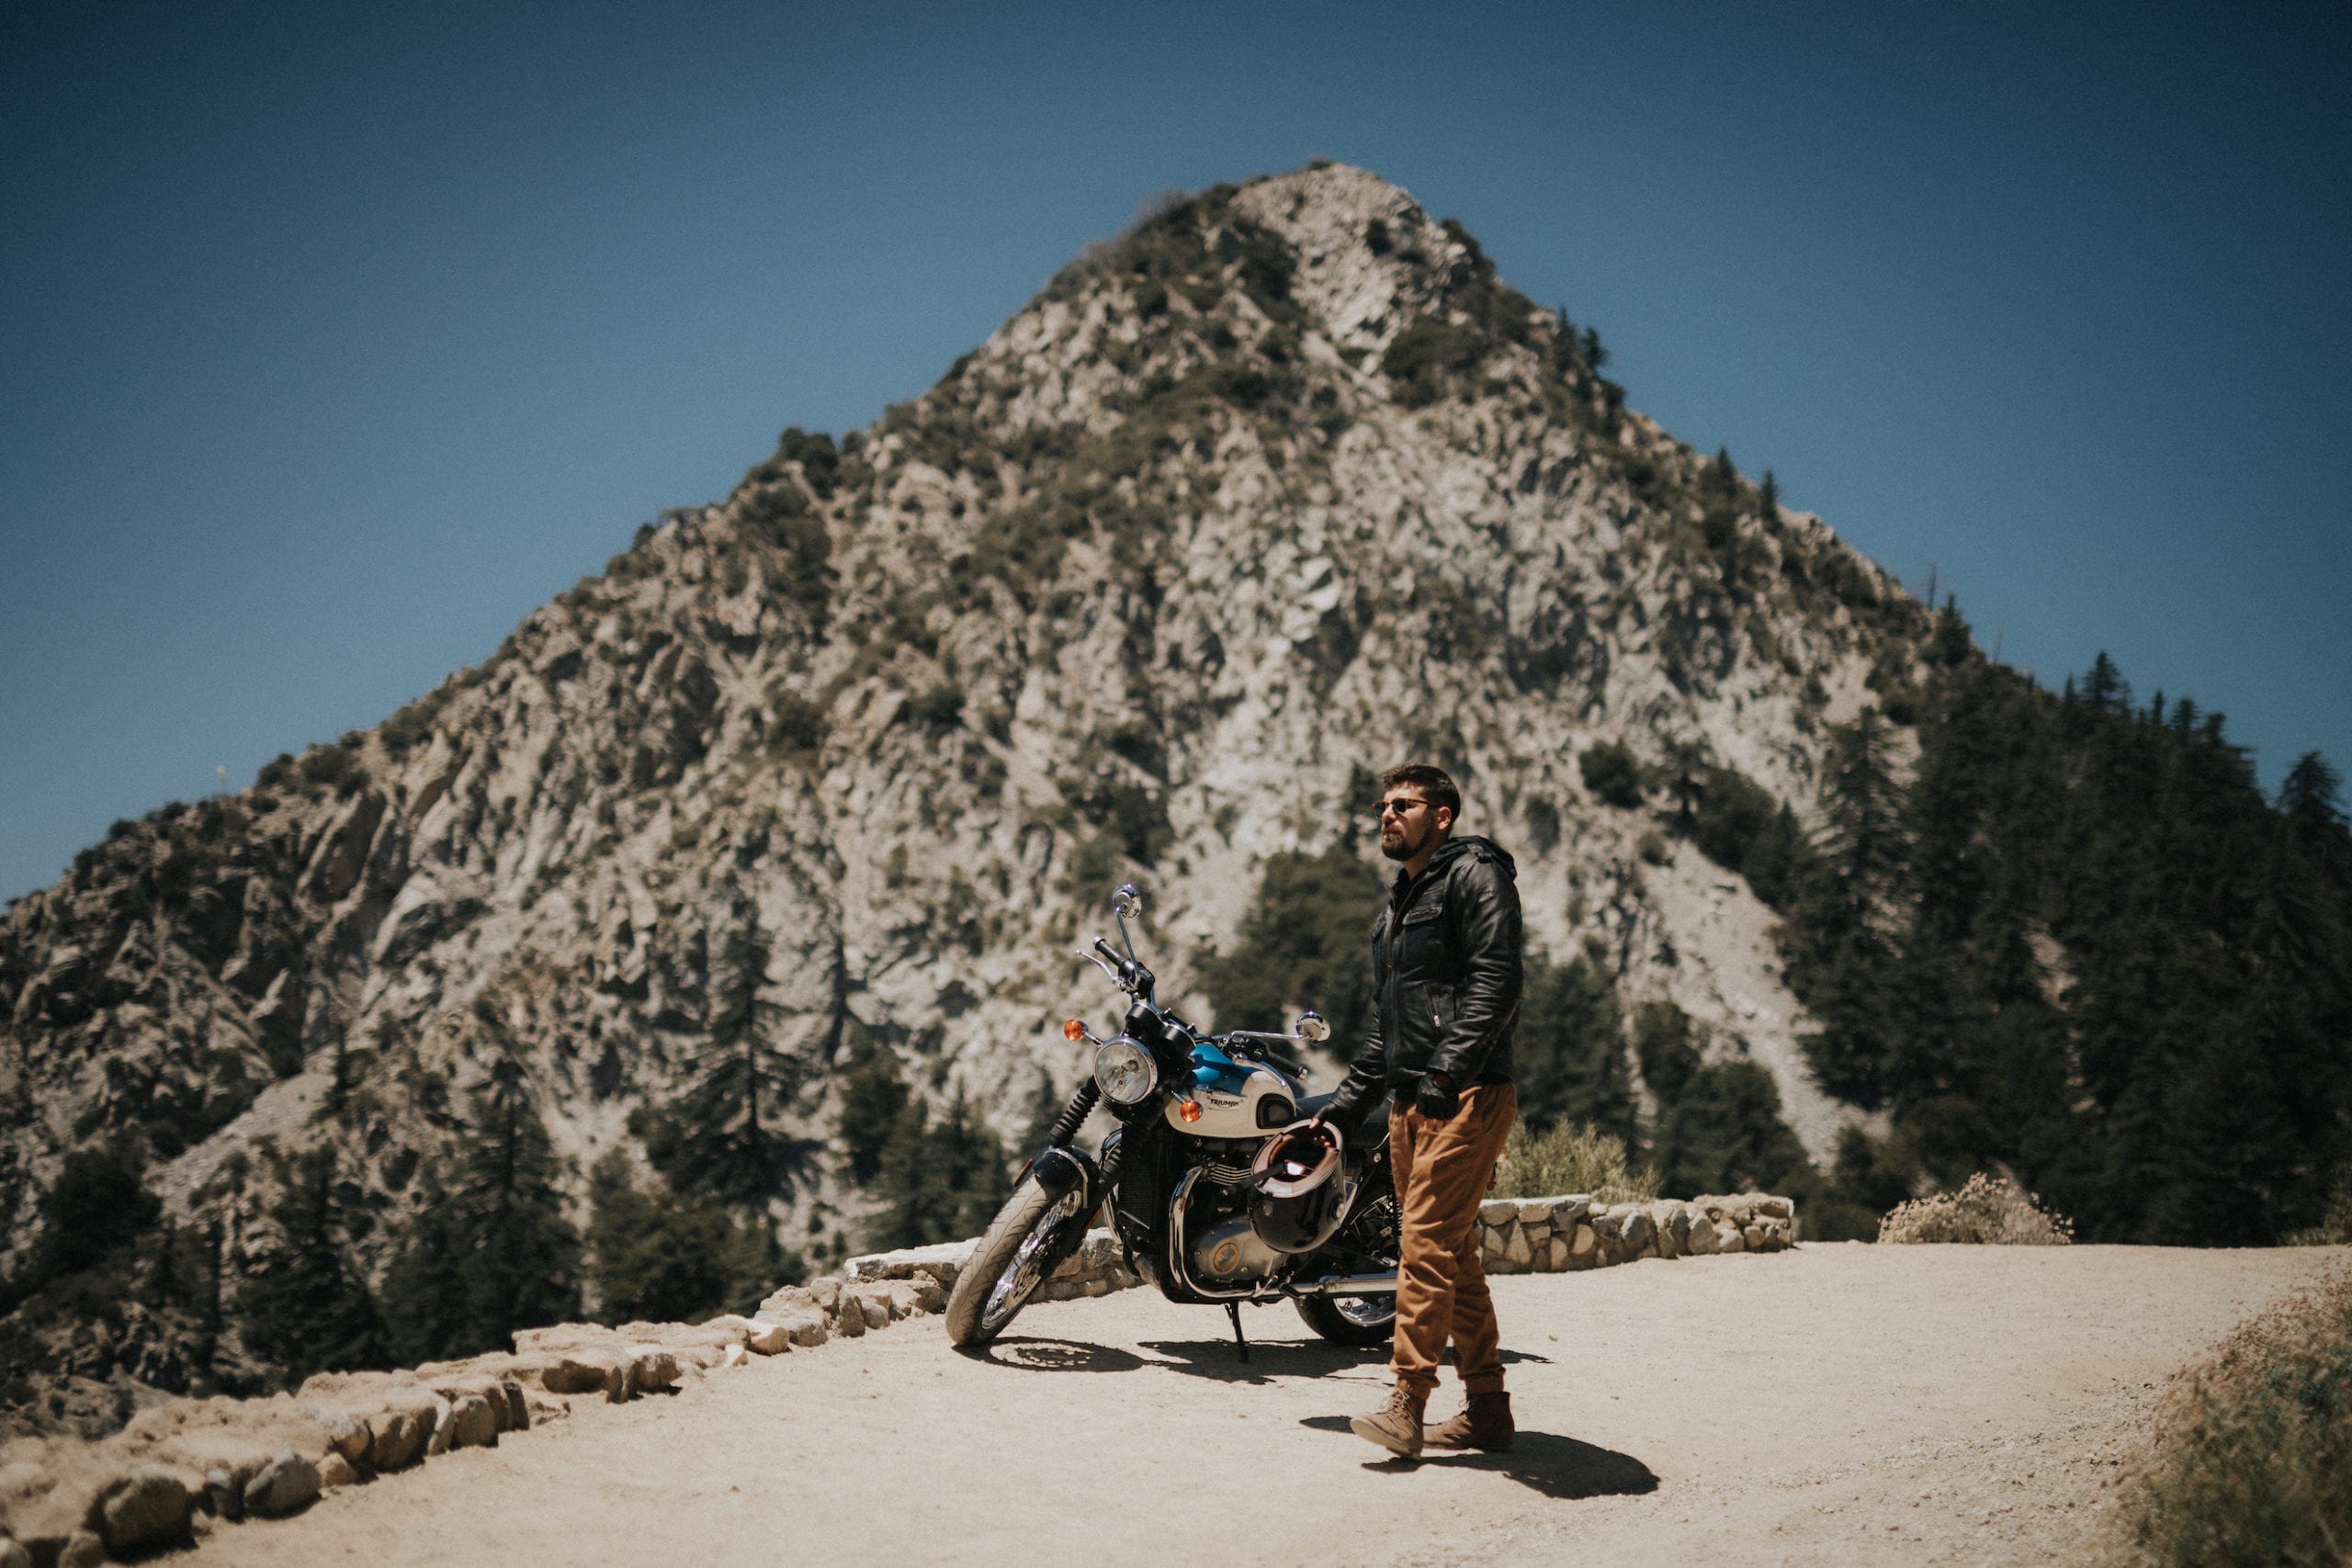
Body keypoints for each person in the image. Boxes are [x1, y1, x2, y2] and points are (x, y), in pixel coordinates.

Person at [1321, 761, 1521, 1460]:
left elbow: (1498, 980)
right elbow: (1388, 1026)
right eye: (1382, 804)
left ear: (1442, 815)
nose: (1386, 814)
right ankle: (1490, 1410)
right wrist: (1345, 1110)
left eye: (1403, 804)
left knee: (1424, 1244)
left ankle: (1407, 1401)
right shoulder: (1398, 906)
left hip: (1465, 1093)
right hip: (1411, 1101)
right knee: (1453, 1252)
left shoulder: (1475, 876)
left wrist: (1447, 1071)